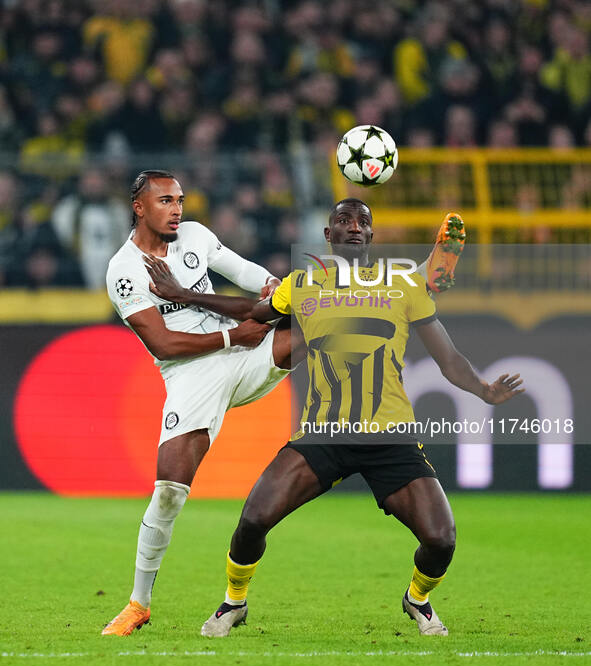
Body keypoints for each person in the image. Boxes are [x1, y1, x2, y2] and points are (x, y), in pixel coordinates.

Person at [102, 175, 463, 636]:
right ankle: (139, 604)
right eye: (165, 201)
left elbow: (249, 273)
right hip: (191, 374)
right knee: (170, 490)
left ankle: (414, 293)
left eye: (179, 199)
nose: (176, 208)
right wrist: (236, 333)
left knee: (322, 312)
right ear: (138, 206)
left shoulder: (195, 236)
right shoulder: (123, 270)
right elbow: (165, 342)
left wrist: (278, 289)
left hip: (247, 355)